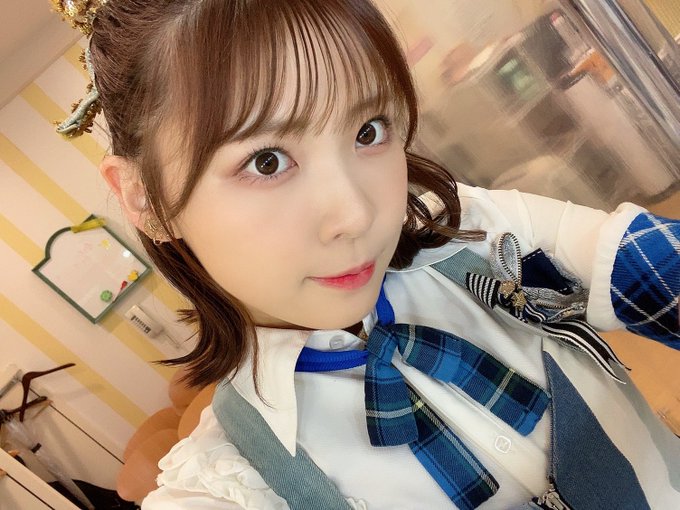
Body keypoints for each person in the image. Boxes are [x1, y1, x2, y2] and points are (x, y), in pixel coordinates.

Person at [52, 0, 680, 508]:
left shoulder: (474, 234)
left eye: (368, 130)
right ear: (146, 198)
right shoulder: (230, 484)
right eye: (266, 161)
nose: (356, 214)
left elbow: (650, 263)